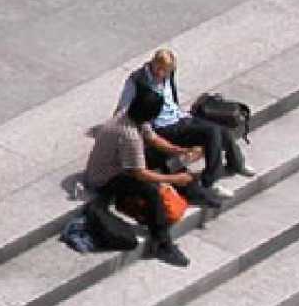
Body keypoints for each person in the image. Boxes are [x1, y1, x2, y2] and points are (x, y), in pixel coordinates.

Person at [115, 49, 251, 201]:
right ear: (156, 66)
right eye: (163, 72)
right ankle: (209, 182)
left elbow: (171, 99)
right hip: (163, 127)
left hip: (180, 118)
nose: (165, 76)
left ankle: (236, 163)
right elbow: (122, 109)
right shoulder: (137, 80)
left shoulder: (168, 75)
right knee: (212, 132)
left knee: (222, 131)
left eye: (168, 72)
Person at [85, 89, 199, 267]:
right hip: (104, 180)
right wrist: (175, 179)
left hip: (118, 166)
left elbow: (153, 139)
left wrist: (181, 150)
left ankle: (192, 189)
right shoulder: (130, 135)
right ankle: (162, 243)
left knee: (159, 156)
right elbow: (140, 174)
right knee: (150, 191)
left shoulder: (130, 115)